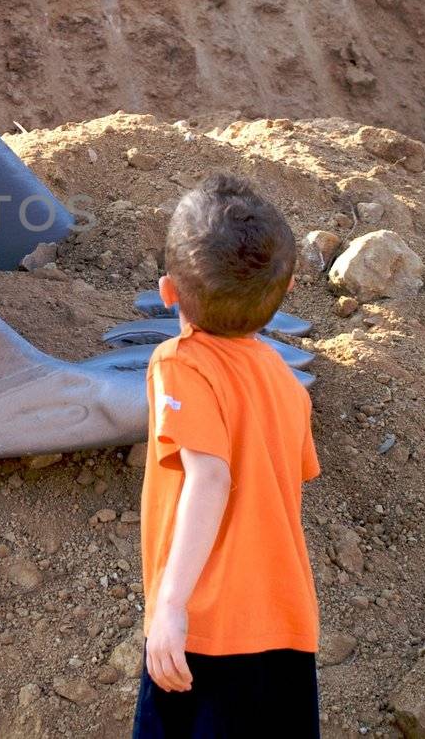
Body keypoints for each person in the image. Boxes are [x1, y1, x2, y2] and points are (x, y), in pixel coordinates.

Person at [134, 173, 321, 738]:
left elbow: (210, 476)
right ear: (285, 295)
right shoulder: (286, 382)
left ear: (168, 292)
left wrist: (171, 605)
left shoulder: (179, 363)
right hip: (287, 629)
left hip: (208, 632)